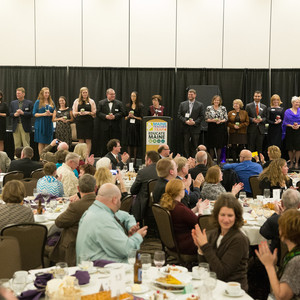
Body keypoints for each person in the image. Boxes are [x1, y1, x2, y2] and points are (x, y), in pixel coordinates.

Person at [76, 183, 147, 263]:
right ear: (114, 200)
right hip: (101, 269)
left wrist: (131, 228)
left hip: (95, 264)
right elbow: (126, 249)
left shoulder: (94, 210)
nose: (120, 203)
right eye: (120, 199)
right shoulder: (102, 219)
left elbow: (126, 216)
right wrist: (138, 236)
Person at [192, 193, 249, 291]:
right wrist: (201, 249)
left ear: (236, 217)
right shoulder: (214, 233)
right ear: (217, 215)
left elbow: (221, 273)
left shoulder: (239, 239)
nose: (226, 220)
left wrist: (205, 246)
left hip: (232, 291)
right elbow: (205, 267)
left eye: (230, 215)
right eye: (222, 215)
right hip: (215, 285)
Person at [50, 174, 97, 266]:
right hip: (97, 245)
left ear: (78, 189)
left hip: (74, 246)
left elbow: (58, 222)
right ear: (95, 188)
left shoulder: (76, 206)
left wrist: (70, 207)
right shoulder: (102, 203)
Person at [255, 209, 300, 300]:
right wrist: (273, 266)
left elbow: (280, 296)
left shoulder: (296, 260)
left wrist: (269, 266)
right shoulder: (293, 254)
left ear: (285, 232)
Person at [160, 179, 209, 255]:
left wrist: (197, 208)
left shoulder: (170, 204)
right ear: (179, 192)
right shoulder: (180, 209)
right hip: (186, 244)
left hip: (174, 241)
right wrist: (201, 209)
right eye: (184, 189)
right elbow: (200, 224)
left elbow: (186, 215)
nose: (185, 190)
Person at [260, 189, 300, 258]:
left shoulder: (275, 220)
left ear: (281, 203)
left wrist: (276, 213)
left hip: (277, 258)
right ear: (299, 205)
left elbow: (263, 232)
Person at [130, 150, 160, 222]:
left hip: (144, 208)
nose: (145, 162)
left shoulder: (142, 172)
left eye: (145, 160)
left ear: (149, 160)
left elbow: (133, 191)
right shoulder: (163, 171)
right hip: (161, 206)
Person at [97, 88, 125, 156]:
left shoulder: (119, 103)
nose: (113, 96)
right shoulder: (101, 103)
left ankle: (117, 159)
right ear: (107, 94)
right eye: (111, 94)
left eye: (114, 94)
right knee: (104, 144)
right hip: (105, 127)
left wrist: (115, 116)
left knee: (116, 144)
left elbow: (123, 113)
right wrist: (105, 116)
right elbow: (98, 113)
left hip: (116, 128)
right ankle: (104, 159)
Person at [177, 89, 204, 158]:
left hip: (195, 128)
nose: (190, 95)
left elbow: (201, 116)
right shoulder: (182, 104)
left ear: (195, 95)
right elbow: (179, 115)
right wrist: (185, 121)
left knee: (195, 145)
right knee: (185, 145)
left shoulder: (200, 105)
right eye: (189, 94)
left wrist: (194, 122)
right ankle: (186, 160)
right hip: (185, 128)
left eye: (191, 94)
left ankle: (194, 160)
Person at [72, 87, 96, 156]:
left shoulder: (91, 101)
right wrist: (79, 113)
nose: (85, 94)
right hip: (80, 122)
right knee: (81, 140)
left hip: (89, 122)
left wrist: (88, 113)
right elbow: (74, 113)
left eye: (86, 92)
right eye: (83, 92)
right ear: (81, 93)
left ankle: (87, 155)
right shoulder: (76, 101)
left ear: (88, 93)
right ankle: (81, 155)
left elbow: (94, 113)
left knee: (88, 139)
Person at [205, 95, 228, 165]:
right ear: (213, 101)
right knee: (211, 145)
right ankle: (211, 161)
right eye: (215, 100)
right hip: (212, 128)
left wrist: (220, 121)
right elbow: (206, 119)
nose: (216, 101)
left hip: (220, 128)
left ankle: (218, 162)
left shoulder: (223, 108)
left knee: (219, 145)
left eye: (218, 100)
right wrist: (213, 120)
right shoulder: (209, 108)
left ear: (220, 101)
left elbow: (226, 118)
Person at [33, 87, 55, 156]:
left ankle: (46, 158)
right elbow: (34, 114)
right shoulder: (38, 102)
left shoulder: (51, 102)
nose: (47, 94)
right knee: (41, 142)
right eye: (45, 93)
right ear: (42, 93)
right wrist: (43, 114)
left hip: (49, 124)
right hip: (40, 124)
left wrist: (50, 114)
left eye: (48, 93)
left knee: (48, 142)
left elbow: (55, 113)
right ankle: (41, 158)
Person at [125, 91, 143, 164]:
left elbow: (141, 118)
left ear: (137, 97)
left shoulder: (140, 106)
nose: (133, 97)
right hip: (129, 126)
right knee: (129, 143)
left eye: (134, 96)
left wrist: (134, 117)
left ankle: (135, 160)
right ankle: (129, 160)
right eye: (132, 96)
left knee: (135, 143)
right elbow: (125, 118)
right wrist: (128, 116)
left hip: (136, 127)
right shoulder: (128, 106)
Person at [282, 96, 300, 169]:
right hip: (289, 130)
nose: (298, 103)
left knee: (298, 148)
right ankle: (291, 162)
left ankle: (297, 162)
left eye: (299, 102)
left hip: (298, 131)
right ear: (292, 103)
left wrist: (299, 125)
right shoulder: (287, 111)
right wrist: (291, 126)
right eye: (296, 102)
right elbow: (285, 122)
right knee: (290, 148)